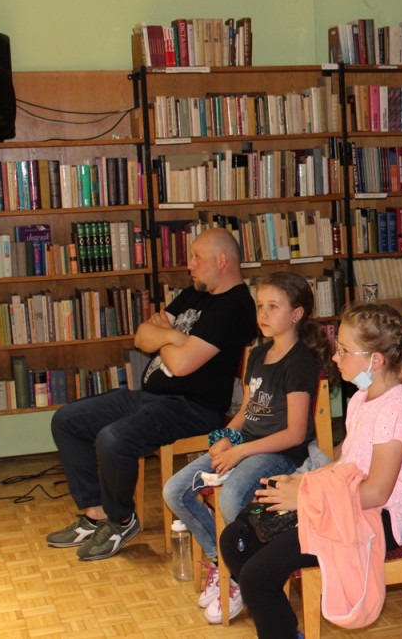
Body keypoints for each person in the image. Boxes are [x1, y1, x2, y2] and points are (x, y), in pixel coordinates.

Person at [217, 302, 402, 638]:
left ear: (375, 360)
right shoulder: (362, 398)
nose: (335, 359)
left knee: (256, 577)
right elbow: (348, 464)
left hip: (372, 520)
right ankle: (284, 628)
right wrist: (305, 480)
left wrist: (305, 497)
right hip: (341, 505)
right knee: (236, 539)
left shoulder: (398, 407)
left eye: (344, 351)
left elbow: (377, 492)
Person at [47, 228, 258, 561]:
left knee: (114, 439)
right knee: (67, 421)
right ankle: (95, 513)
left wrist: (167, 335)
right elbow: (141, 336)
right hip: (152, 397)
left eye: (196, 258)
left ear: (222, 261)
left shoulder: (235, 306)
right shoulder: (195, 293)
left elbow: (184, 364)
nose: (189, 264)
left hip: (193, 408)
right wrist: (173, 338)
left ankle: (121, 520)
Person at [162, 272, 338, 623]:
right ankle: (224, 562)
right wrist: (222, 439)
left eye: (274, 306)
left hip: (281, 454)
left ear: (296, 314)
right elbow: (246, 411)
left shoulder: (300, 362)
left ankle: (242, 575)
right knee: (175, 490)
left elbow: (293, 433)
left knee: (230, 498)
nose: (264, 314)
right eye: (260, 306)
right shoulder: (257, 353)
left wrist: (240, 452)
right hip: (249, 444)